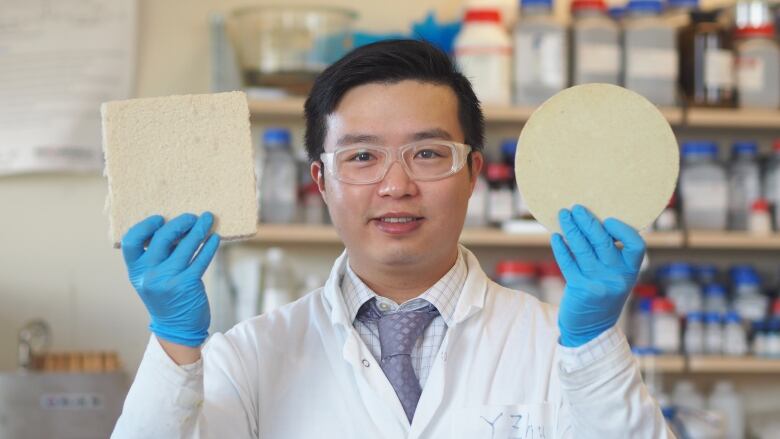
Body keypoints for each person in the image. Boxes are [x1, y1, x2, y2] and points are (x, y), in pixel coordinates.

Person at [112, 40, 672, 438]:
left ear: (473, 173)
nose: (396, 185)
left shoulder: (558, 345)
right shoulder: (249, 355)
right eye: (361, 157)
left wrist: (595, 345)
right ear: (321, 182)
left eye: (428, 153)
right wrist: (174, 345)